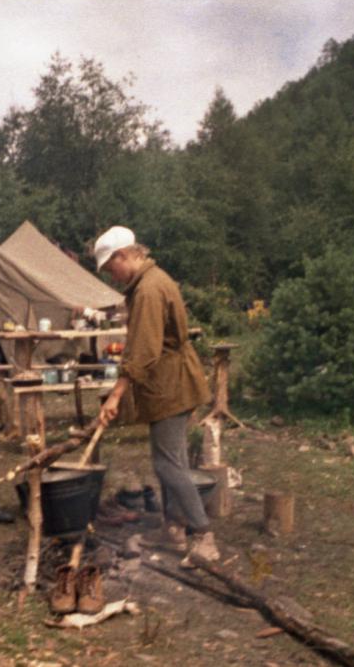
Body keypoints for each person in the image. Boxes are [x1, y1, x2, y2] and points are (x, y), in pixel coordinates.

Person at [94, 226, 218, 567]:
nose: (112, 277)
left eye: (111, 269)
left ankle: (204, 535)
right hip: (170, 382)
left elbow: (145, 351)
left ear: (124, 256)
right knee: (171, 460)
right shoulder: (149, 283)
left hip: (171, 384)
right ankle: (173, 530)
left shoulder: (148, 290)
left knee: (167, 464)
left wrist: (116, 395)